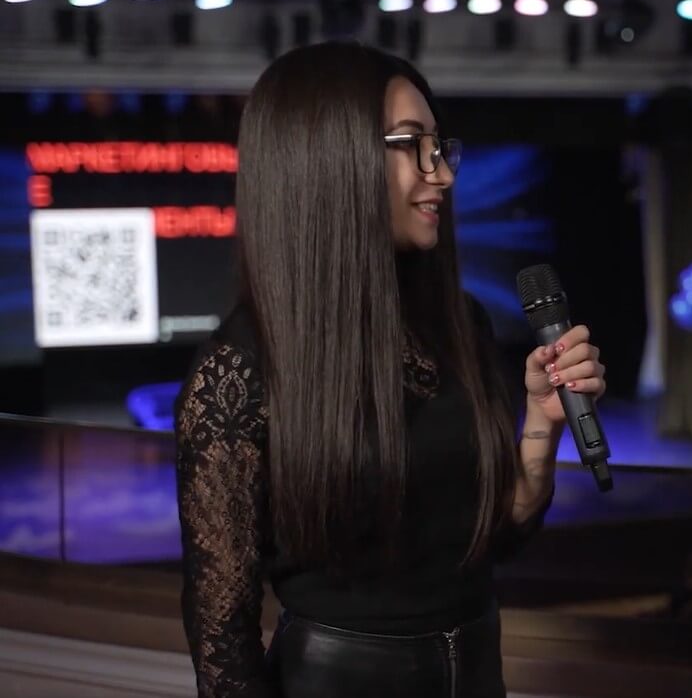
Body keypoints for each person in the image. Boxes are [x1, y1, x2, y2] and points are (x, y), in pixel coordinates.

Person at [174, 41, 606, 698]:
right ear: (330, 160)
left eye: (440, 147)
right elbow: (223, 639)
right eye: (412, 145)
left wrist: (542, 428)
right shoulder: (238, 371)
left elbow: (491, 542)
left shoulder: (460, 321)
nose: (442, 174)